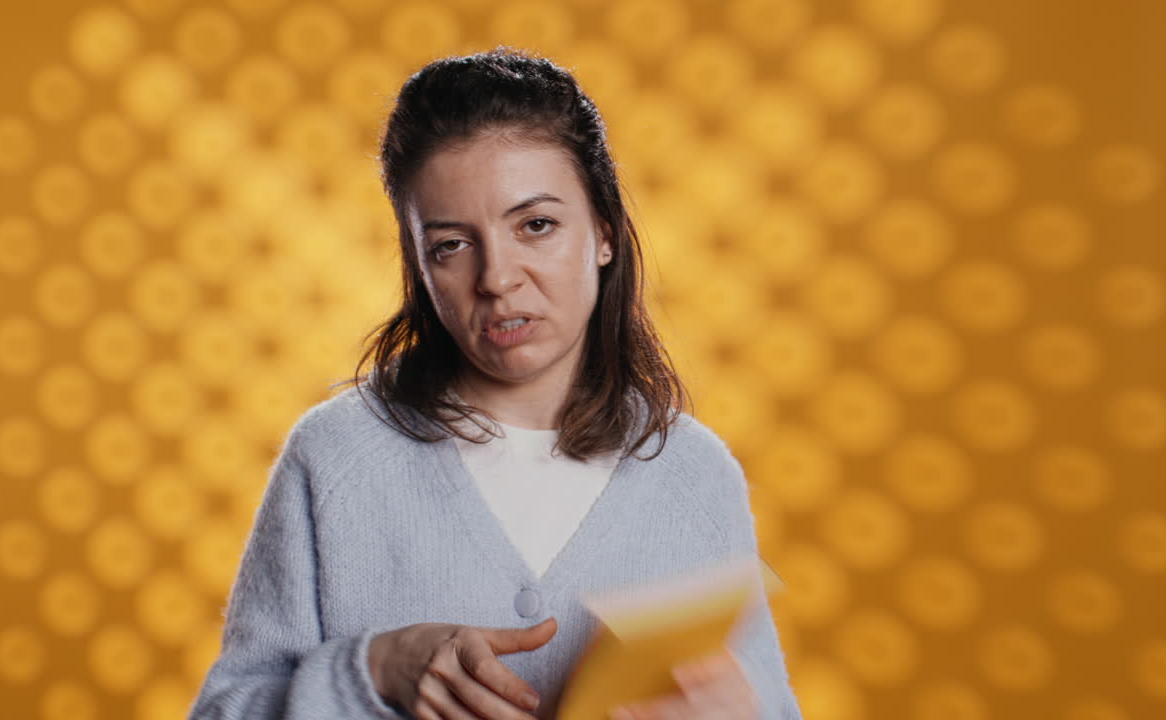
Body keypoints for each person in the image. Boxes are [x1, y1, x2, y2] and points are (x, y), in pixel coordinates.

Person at [187, 47, 802, 720]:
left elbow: (764, 704)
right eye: (450, 245)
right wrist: (374, 672)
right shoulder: (335, 460)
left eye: (536, 225)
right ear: (418, 264)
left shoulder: (694, 477)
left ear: (603, 233)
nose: (497, 279)